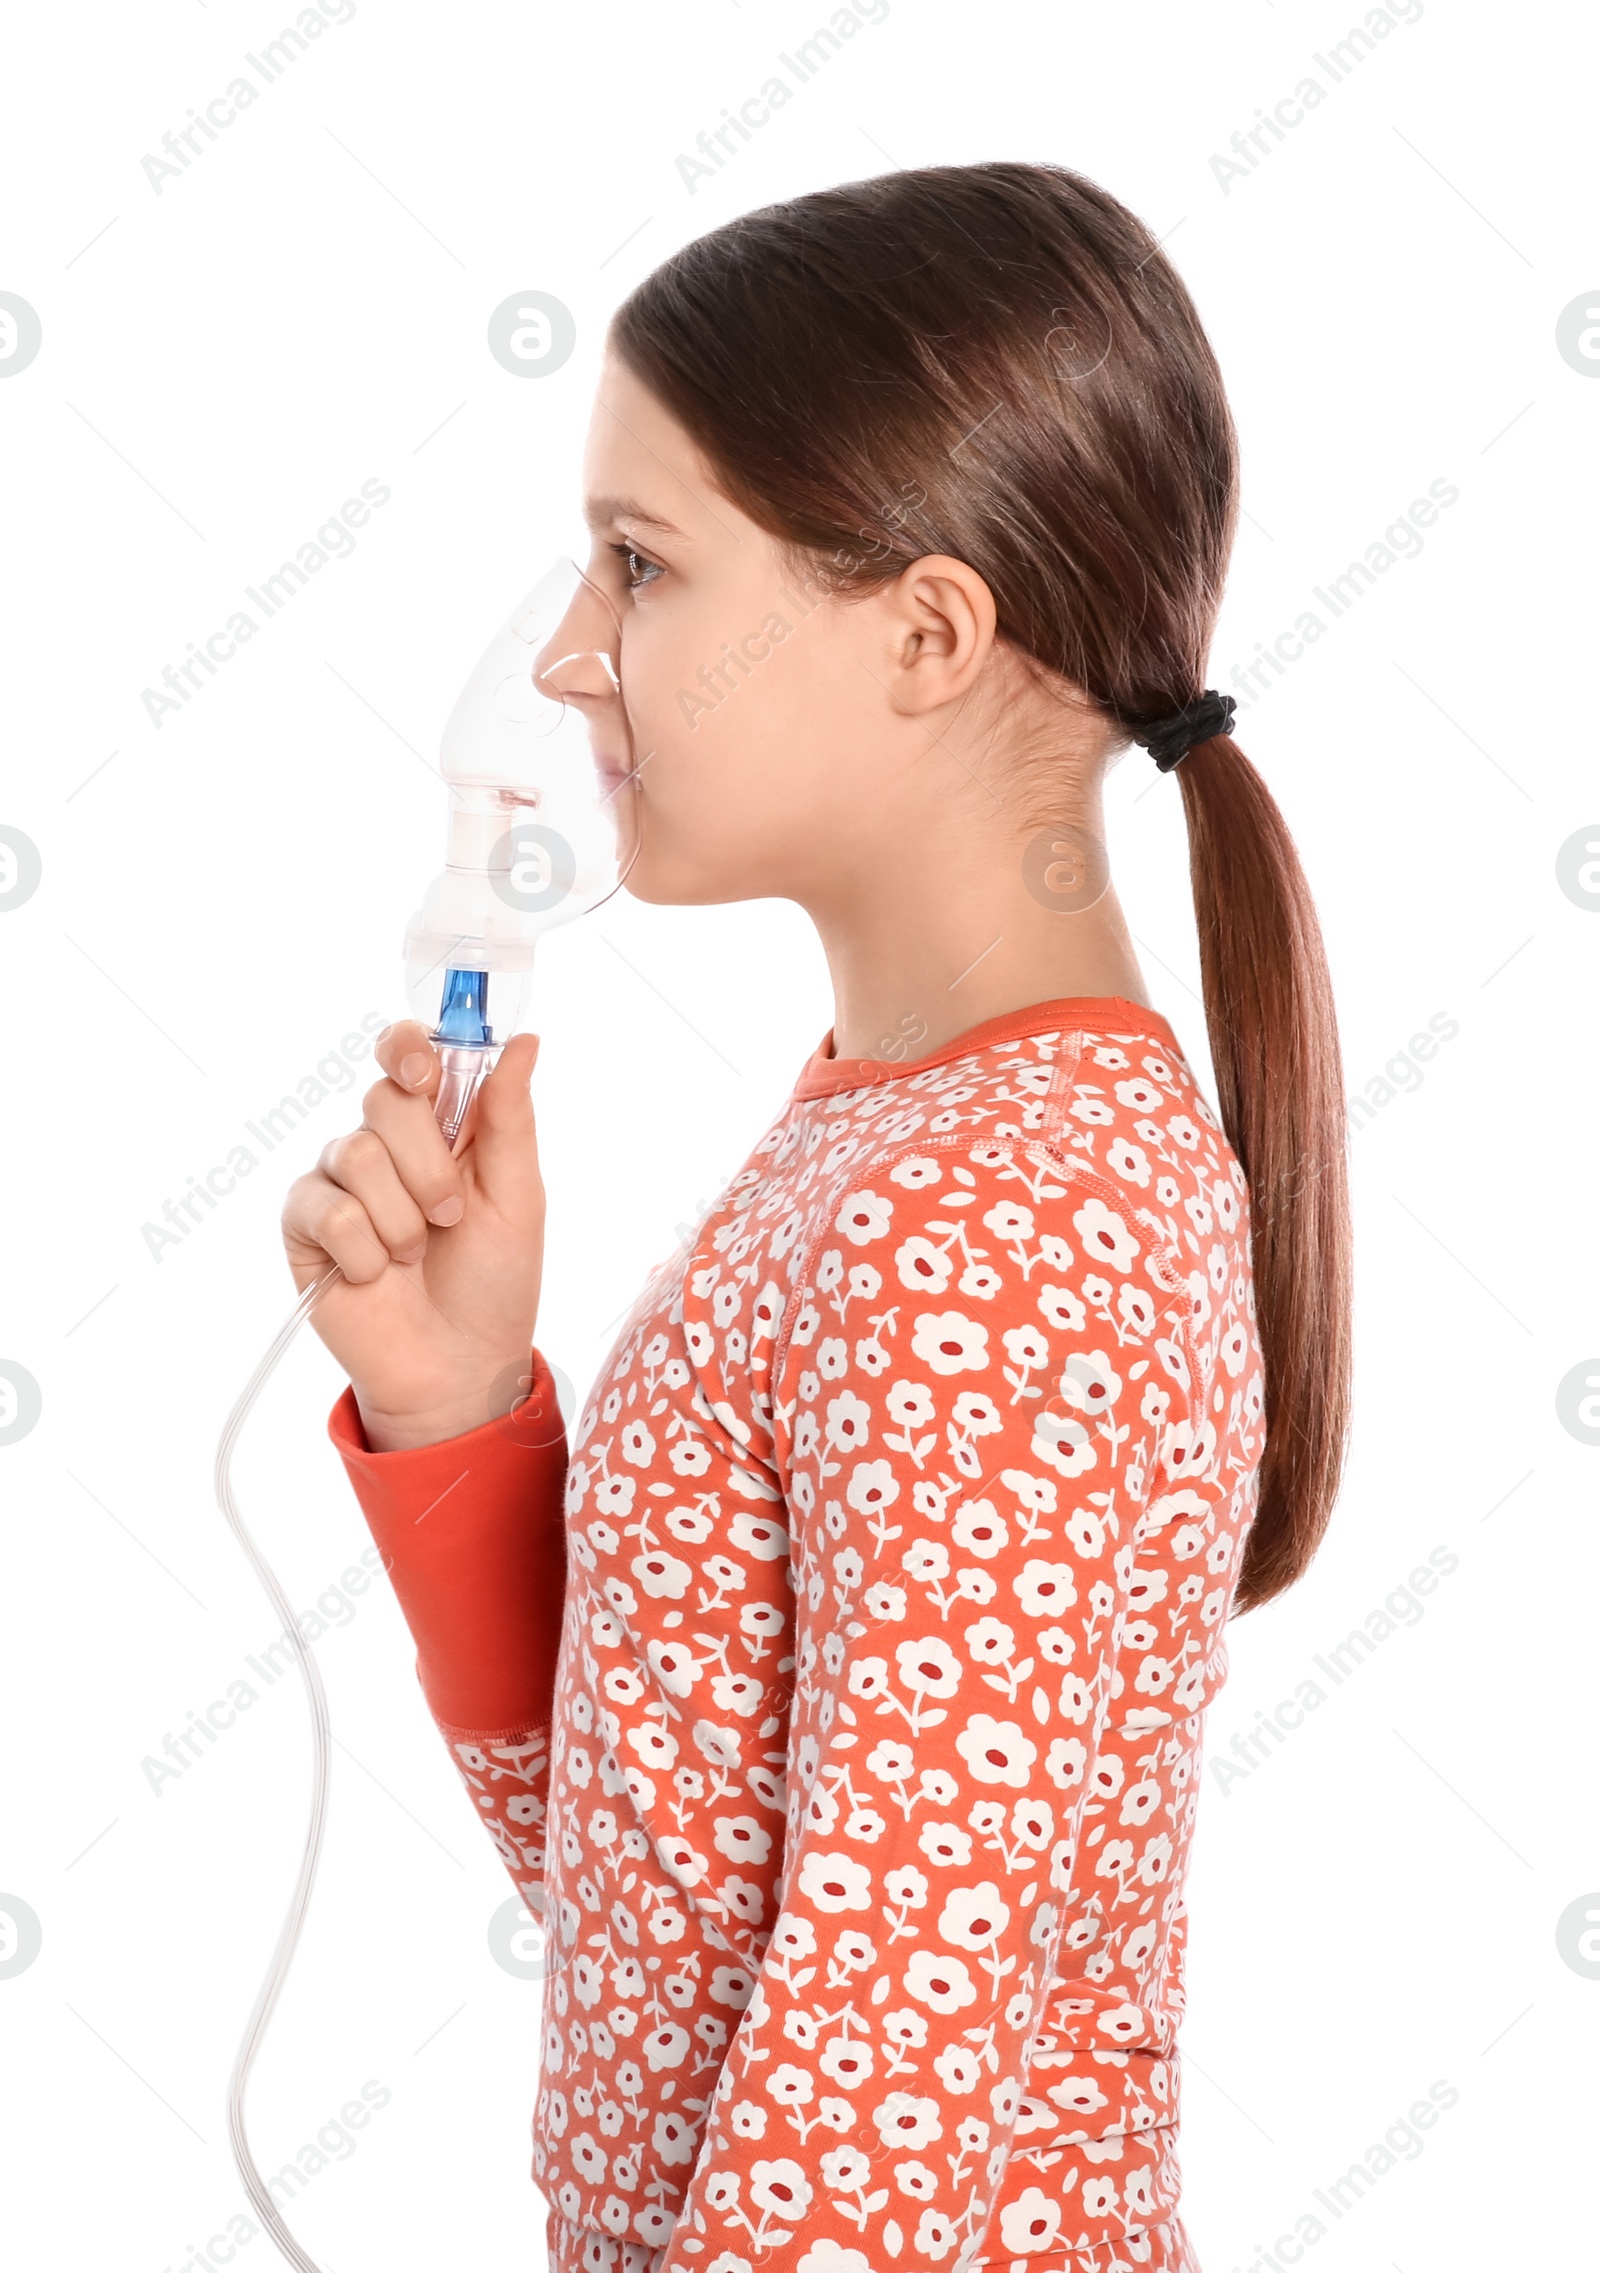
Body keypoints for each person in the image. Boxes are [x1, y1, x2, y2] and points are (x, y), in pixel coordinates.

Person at [282, 161, 1352, 2273]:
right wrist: (460, 1410)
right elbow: (665, 1916)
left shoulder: (999, 1221)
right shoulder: (902, 1140)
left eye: (639, 567)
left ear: (929, 633)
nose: (572, 660)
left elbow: (864, 2126)